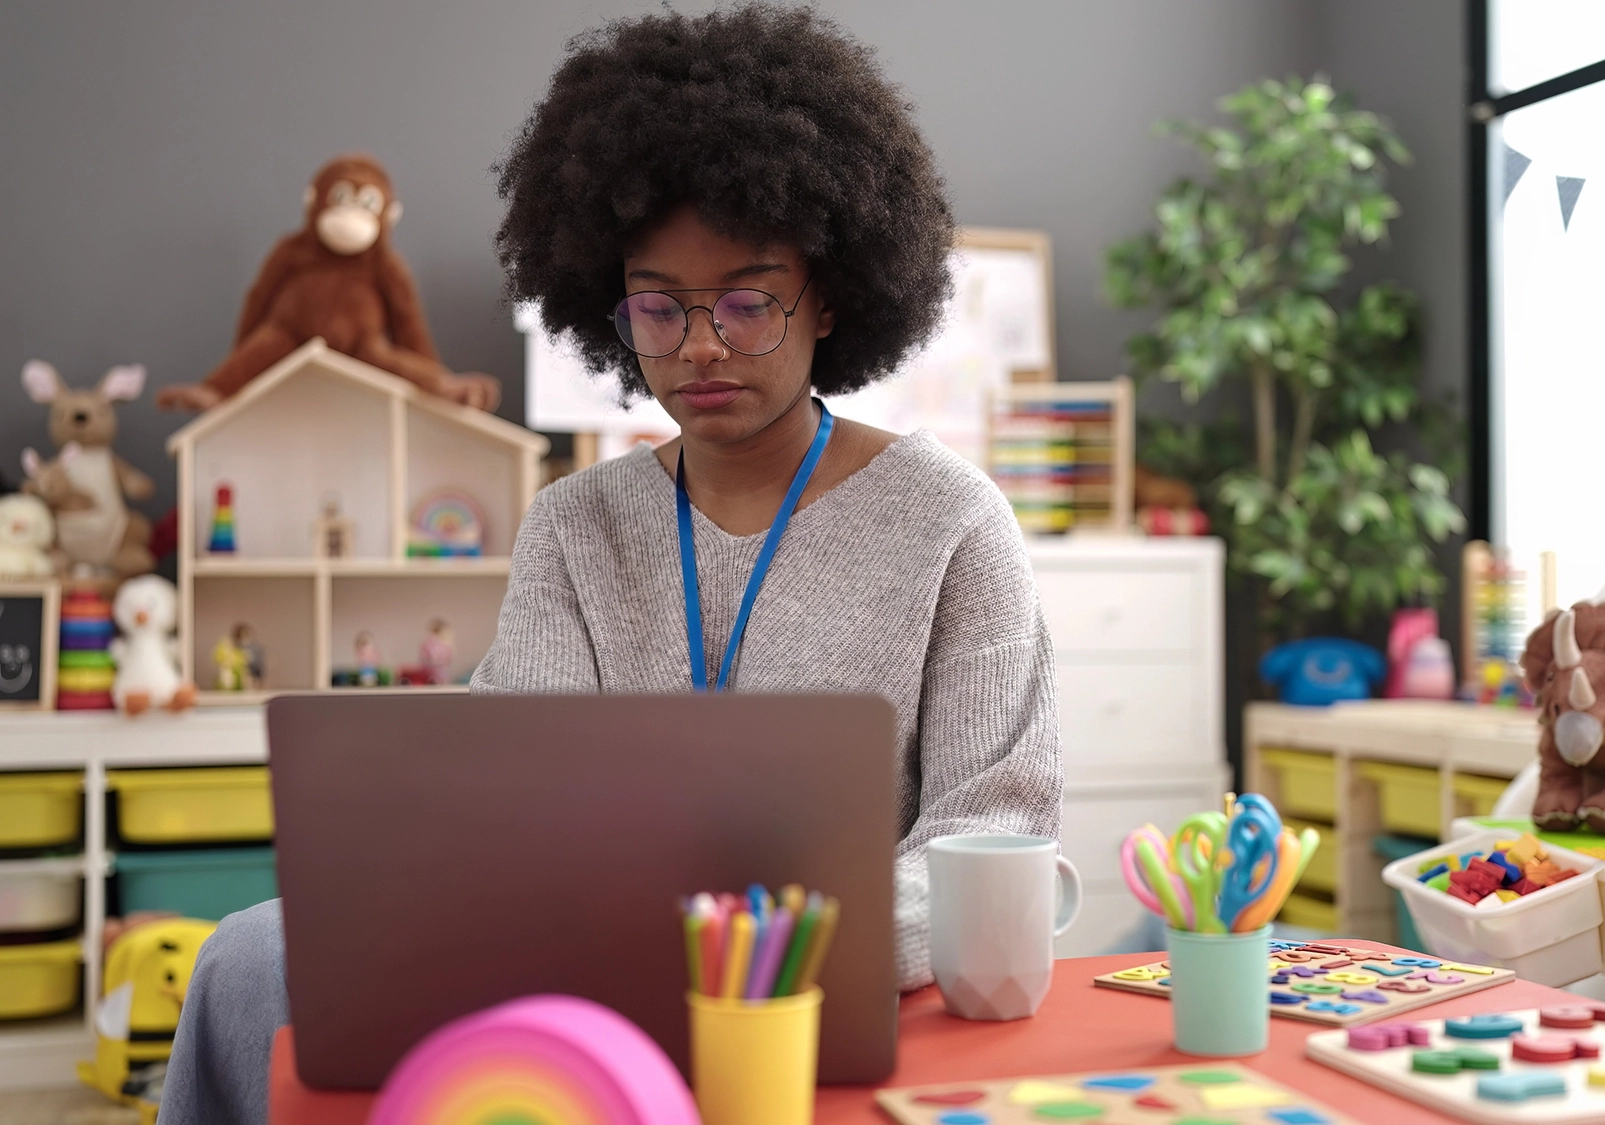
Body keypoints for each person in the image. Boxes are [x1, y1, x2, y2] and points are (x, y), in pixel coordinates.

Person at [158, 8, 1060, 1122]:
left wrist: (750, 955)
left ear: (827, 293)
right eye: (657, 306)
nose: (698, 346)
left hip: (812, 987)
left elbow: (994, 841)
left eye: (745, 301)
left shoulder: (951, 523)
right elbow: (507, 806)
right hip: (571, 961)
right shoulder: (575, 524)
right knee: (246, 958)